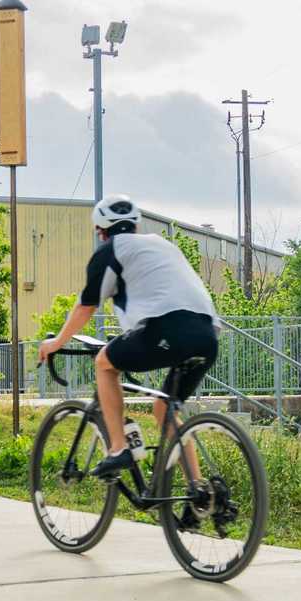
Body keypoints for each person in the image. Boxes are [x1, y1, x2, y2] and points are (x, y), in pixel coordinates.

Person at [37, 193, 219, 482]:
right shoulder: (163, 246)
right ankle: (200, 492)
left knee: (104, 364)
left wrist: (56, 342)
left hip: (166, 328)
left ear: (100, 231)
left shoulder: (109, 251)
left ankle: (119, 447)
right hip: (208, 334)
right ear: (136, 225)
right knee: (164, 409)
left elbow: (87, 305)